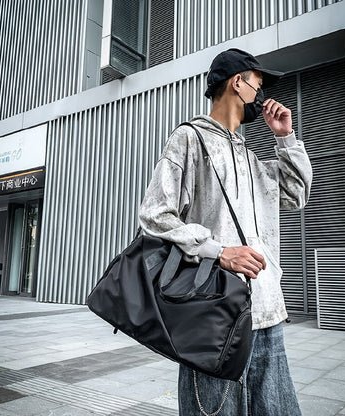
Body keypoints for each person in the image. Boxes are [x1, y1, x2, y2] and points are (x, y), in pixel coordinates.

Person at [138, 48, 312, 415]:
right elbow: (154, 215)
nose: (261, 96)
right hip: (214, 319)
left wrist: (285, 138)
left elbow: (295, 195)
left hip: (267, 316)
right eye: (258, 85)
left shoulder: (250, 158)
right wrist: (219, 251)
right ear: (238, 82)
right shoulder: (189, 139)